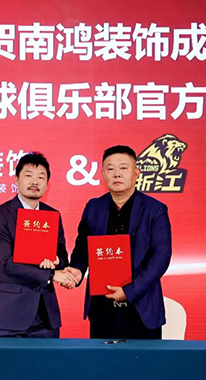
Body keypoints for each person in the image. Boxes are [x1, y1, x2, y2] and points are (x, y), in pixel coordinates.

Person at [66, 145, 172, 339]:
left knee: (143, 359)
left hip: (141, 308)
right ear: (102, 174)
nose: (117, 174)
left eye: (123, 168)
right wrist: (77, 269)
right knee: (102, 359)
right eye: (110, 169)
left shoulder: (155, 209)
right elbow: (82, 248)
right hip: (101, 308)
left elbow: (160, 257)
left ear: (136, 173)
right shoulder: (93, 207)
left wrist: (129, 291)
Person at [0, 152, 76, 338]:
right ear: (16, 180)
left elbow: (62, 257)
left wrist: (56, 261)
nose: (35, 181)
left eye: (41, 177)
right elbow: (6, 263)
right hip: (8, 316)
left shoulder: (53, 215)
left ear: (47, 184)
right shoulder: (0, 215)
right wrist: (52, 275)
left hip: (46, 316)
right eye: (28, 175)